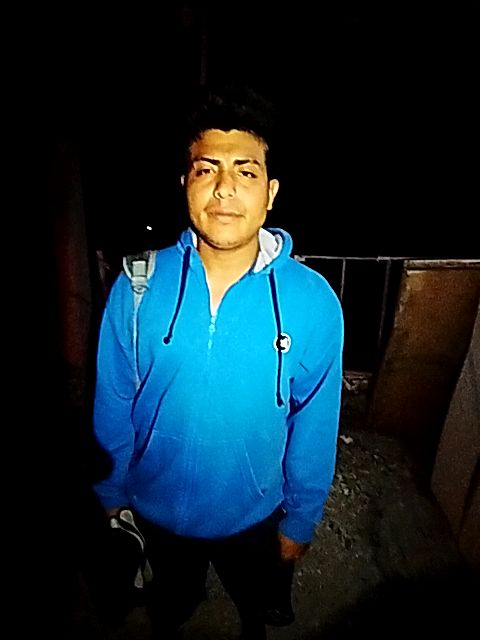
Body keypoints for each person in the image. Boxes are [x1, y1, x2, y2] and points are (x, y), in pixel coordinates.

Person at [92, 85, 344, 640]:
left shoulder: (313, 300)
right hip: (154, 508)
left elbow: (315, 419)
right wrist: (112, 495)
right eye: (207, 169)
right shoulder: (137, 286)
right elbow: (113, 398)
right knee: (171, 605)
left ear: (270, 192)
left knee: (257, 605)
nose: (225, 187)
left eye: (245, 171)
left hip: (255, 514)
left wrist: (301, 517)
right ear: (185, 183)